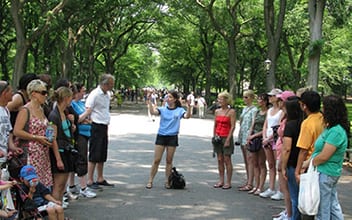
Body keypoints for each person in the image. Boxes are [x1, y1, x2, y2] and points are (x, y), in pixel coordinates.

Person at [310, 95, 349, 220]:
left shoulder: (336, 131)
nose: (322, 110)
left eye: (324, 107)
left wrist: (312, 162)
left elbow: (324, 156)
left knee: (323, 207)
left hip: (326, 172)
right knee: (332, 204)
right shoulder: (331, 128)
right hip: (327, 172)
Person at [145, 90, 191, 189]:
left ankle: (167, 181)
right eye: (167, 97)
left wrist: (189, 107)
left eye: (170, 97)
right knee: (157, 160)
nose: (167, 99)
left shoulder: (179, 110)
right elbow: (153, 112)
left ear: (174, 99)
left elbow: (187, 116)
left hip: (172, 137)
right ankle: (150, 180)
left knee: (169, 160)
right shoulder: (163, 109)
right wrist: (149, 102)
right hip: (161, 135)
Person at [13, 79, 53, 187]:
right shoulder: (25, 110)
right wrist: (36, 137)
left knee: (43, 186)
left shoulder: (42, 109)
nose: (46, 95)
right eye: (43, 93)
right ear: (34, 94)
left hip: (43, 153)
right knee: (32, 185)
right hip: (30, 153)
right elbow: (17, 131)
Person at [294, 90, 323, 220]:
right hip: (322, 162)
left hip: (309, 164)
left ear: (304, 105)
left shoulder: (307, 123)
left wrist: (298, 169)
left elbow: (303, 149)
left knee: (308, 200)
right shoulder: (323, 118)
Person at [85, 74, 115, 188]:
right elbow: (88, 108)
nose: (112, 86)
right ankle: (90, 180)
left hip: (104, 125)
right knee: (94, 153)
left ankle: (100, 177)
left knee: (102, 152)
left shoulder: (107, 94)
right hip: (96, 125)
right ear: (105, 84)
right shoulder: (95, 94)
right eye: (111, 84)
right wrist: (88, 120)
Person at [67, 83, 96, 198]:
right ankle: (83, 187)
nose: (84, 93)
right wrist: (87, 114)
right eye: (82, 91)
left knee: (78, 158)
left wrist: (86, 118)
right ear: (77, 92)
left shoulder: (81, 103)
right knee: (81, 159)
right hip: (79, 134)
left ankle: (72, 185)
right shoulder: (72, 104)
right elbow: (78, 119)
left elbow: (86, 119)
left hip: (86, 132)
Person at [48, 86, 75, 205]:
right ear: (66, 98)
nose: (72, 100)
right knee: (58, 185)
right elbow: (53, 138)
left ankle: (59, 211)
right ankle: (55, 210)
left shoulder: (65, 113)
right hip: (59, 152)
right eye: (70, 97)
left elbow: (67, 132)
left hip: (67, 150)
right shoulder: (54, 116)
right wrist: (58, 159)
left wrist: (72, 124)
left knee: (63, 184)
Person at [281, 96, 304, 220]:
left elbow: (286, 149)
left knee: (295, 196)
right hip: (305, 162)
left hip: (293, 162)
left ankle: (294, 217)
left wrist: (283, 166)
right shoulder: (305, 123)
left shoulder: (290, 125)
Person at [260, 88, 283, 198]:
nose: (269, 98)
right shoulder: (269, 111)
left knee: (278, 165)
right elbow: (266, 124)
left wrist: (269, 138)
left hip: (275, 139)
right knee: (271, 165)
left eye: (272, 96)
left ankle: (280, 190)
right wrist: (264, 136)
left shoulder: (281, 112)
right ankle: (271, 187)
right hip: (267, 139)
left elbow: (278, 128)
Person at [212, 92, 236, 190]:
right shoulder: (217, 111)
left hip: (226, 136)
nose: (219, 101)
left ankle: (228, 182)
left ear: (226, 100)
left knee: (227, 159)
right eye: (218, 99)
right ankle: (221, 180)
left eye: (221, 99)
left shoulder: (231, 112)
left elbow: (233, 126)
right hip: (218, 136)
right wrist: (214, 136)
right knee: (219, 159)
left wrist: (228, 139)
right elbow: (215, 124)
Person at [246, 93, 269, 195]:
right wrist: (250, 135)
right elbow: (253, 124)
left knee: (261, 163)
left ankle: (261, 186)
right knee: (254, 163)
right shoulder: (257, 112)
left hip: (261, 138)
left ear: (265, 101)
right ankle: (256, 185)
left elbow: (266, 127)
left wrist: (255, 136)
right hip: (253, 138)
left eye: (260, 99)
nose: (258, 101)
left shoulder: (268, 112)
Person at [237, 90, 257, 191]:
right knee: (245, 159)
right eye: (244, 97)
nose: (244, 99)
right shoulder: (244, 109)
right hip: (242, 134)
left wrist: (250, 135)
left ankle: (250, 183)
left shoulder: (254, 110)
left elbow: (253, 123)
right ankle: (248, 180)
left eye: (247, 97)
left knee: (250, 159)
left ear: (252, 98)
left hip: (248, 135)